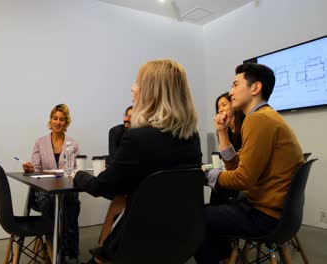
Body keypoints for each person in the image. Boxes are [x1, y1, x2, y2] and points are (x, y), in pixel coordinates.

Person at [73, 59, 202, 263]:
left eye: (137, 83)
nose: (133, 88)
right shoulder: (192, 137)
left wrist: (78, 176)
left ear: (151, 92)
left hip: (137, 243)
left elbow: (101, 186)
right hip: (181, 240)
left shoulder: (137, 138)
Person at [195, 63, 304, 264]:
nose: (231, 91)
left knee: (198, 216)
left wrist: (205, 175)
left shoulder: (258, 120)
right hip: (279, 214)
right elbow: (235, 168)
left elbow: (243, 179)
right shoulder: (265, 117)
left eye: (236, 85)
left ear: (255, 88)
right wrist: (222, 131)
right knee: (211, 211)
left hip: (266, 216)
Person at [22, 104, 81, 264]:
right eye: (55, 118)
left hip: (65, 190)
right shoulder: (40, 142)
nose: (58, 122)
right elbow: (36, 171)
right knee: (48, 204)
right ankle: (51, 250)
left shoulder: (73, 144)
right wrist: (29, 169)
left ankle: (70, 252)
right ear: (51, 120)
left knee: (72, 204)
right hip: (44, 191)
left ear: (66, 122)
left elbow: (73, 171)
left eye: (62, 119)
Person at [95, 106, 132, 247]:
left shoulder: (143, 136)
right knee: (121, 196)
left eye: (131, 116)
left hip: (135, 183)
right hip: (122, 180)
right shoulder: (116, 132)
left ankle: (103, 250)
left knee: (122, 198)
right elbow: (116, 162)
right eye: (126, 115)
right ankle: (103, 248)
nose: (126, 119)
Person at [208, 93, 245, 205]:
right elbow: (228, 160)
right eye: (218, 107)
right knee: (216, 187)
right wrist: (221, 131)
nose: (220, 109)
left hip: (242, 175)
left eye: (223, 105)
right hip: (231, 170)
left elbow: (237, 164)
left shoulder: (245, 125)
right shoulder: (224, 130)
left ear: (233, 105)